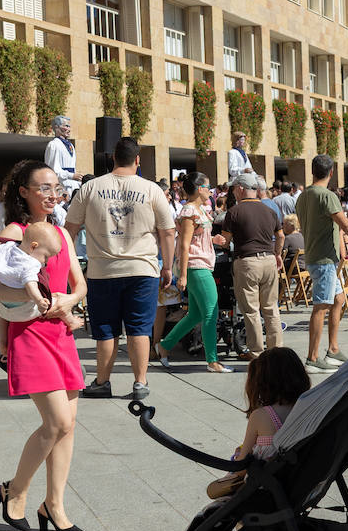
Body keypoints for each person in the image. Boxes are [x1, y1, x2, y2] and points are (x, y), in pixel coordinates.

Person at [0, 160, 87, 531]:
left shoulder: (62, 233)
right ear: (23, 192)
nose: (52, 195)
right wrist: (30, 297)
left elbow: (80, 285)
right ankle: (15, 490)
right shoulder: (15, 232)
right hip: (30, 334)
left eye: (56, 187)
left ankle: (53, 505)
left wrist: (68, 301)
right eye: (43, 188)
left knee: (67, 428)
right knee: (57, 422)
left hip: (61, 332)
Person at [65, 137, 175, 400]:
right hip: (143, 269)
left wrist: (67, 268)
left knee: (105, 329)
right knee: (139, 328)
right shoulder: (151, 189)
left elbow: (69, 229)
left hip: (102, 270)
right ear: (137, 160)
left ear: (113, 158)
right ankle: (140, 382)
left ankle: (102, 381)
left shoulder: (90, 188)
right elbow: (168, 232)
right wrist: (168, 266)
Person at [296, 154, 348, 374]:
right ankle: (312, 358)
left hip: (320, 257)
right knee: (321, 306)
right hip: (324, 259)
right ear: (331, 173)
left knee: (337, 300)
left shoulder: (303, 196)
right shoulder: (327, 196)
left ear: (312, 171)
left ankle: (332, 349)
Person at [156, 172, 231, 374]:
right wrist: (182, 275)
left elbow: (193, 240)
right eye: (208, 186)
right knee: (210, 313)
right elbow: (184, 244)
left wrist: (213, 240)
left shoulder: (197, 210)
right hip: (197, 266)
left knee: (196, 314)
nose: (210, 190)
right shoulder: (190, 211)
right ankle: (212, 361)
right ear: (199, 189)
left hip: (199, 265)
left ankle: (164, 346)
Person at [225, 173, 285, 359]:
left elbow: (226, 241)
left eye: (234, 188)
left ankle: (257, 351)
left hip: (247, 261)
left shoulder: (234, 212)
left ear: (241, 189)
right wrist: (277, 254)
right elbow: (281, 236)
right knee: (270, 308)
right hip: (268, 260)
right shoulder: (270, 210)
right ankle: (276, 350)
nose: (233, 191)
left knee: (251, 310)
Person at [233, 347, 310, 461]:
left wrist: (237, 456)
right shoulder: (310, 409)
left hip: (267, 477)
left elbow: (241, 466)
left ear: (261, 383)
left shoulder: (261, 416)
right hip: (304, 473)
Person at [0, 223, 60, 320]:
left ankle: (1, 335)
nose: (46, 261)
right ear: (33, 246)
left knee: (0, 319)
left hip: (3, 305)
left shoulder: (10, 247)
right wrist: (39, 301)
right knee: (58, 300)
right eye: (46, 256)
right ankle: (70, 319)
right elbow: (31, 286)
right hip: (23, 310)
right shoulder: (29, 264)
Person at [44, 115, 77, 183]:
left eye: (69, 126)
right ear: (56, 127)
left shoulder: (70, 145)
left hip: (73, 184)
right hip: (61, 185)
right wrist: (71, 176)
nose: (69, 129)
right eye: (66, 126)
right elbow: (52, 170)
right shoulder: (53, 145)